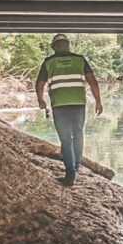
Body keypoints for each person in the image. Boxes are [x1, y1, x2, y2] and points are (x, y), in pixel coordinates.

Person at [35, 34, 103, 186]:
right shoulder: (79, 60)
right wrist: (98, 101)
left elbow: (40, 83)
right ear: (67, 45)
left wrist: (41, 100)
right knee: (78, 133)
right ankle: (76, 164)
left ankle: (70, 173)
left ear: (54, 47)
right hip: (78, 103)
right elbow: (92, 82)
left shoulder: (49, 62)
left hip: (59, 104)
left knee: (66, 139)